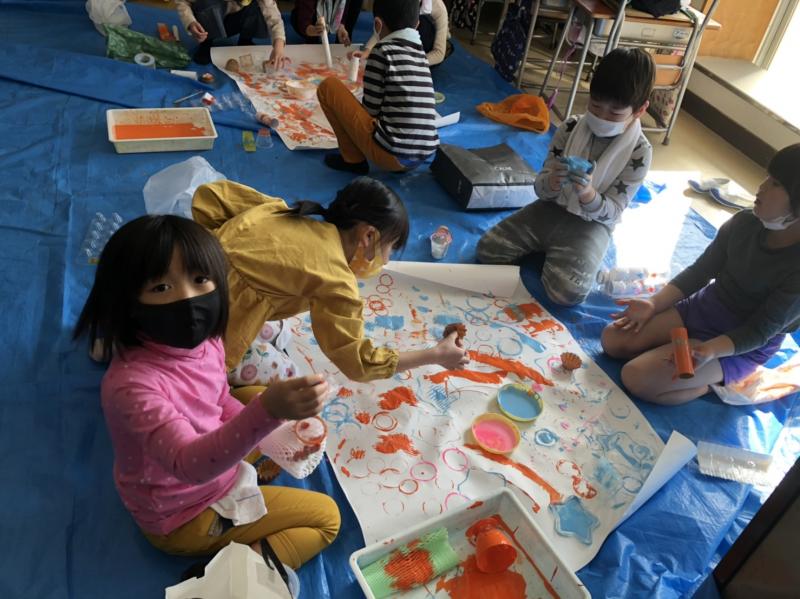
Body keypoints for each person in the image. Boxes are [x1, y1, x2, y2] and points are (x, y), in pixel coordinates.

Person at [73, 215, 340, 566]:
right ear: (126, 301)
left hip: (204, 462)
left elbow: (217, 397)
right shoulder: (131, 388)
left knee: (252, 395)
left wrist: (268, 426)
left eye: (200, 280)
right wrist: (269, 414)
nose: (187, 299)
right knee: (327, 519)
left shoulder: (205, 341)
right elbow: (188, 465)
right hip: (183, 513)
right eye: (161, 288)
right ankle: (226, 581)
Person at [191, 177, 468, 382]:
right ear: (368, 236)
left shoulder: (284, 211)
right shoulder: (334, 278)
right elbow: (358, 363)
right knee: (290, 377)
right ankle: (208, 374)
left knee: (279, 330)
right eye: (390, 248)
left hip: (189, 283)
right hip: (198, 332)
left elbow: (210, 196)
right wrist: (435, 355)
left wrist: (221, 255)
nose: (386, 260)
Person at [601, 144, 800, 405]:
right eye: (767, 177)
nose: (761, 187)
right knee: (613, 339)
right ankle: (674, 357)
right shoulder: (744, 223)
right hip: (704, 309)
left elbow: (758, 331)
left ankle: (712, 385)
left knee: (637, 378)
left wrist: (710, 350)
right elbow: (700, 272)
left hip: (737, 344)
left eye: (775, 184)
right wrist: (653, 304)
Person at [477, 48, 656, 306]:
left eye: (615, 114)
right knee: (487, 250)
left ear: (640, 110)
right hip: (551, 207)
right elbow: (540, 188)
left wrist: (588, 195)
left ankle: (564, 257)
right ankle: (552, 252)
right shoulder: (571, 127)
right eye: (595, 106)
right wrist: (551, 182)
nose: (602, 118)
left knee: (567, 293)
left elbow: (613, 212)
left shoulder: (639, 152)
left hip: (591, 225)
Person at [316, 0, 439, 174]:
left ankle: (353, 160)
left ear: (377, 25)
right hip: (422, 155)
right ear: (417, 24)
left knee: (328, 87)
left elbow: (370, 111)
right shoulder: (420, 54)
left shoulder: (382, 51)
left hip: (393, 154)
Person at [175, 0, 288, 66]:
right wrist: (191, 22)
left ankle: (246, 38)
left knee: (259, 6)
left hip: (237, 17)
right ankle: (207, 42)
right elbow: (182, 1)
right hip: (212, 18)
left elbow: (272, 13)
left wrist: (278, 46)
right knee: (204, 3)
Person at [360, 0, 453, 67]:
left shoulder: (439, 8)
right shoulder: (401, 4)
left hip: (426, 49)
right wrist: (368, 50)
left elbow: (439, 53)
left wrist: (410, 63)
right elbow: (384, 28)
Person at [291, 0, 363, 46]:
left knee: (356, 1)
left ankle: (341, 44)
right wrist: (313, 30)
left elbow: (345, 6)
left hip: (331, 16)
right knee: (313, 42)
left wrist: (341, 25)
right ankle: (312, 41)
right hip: (305, 19)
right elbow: (304, 23)